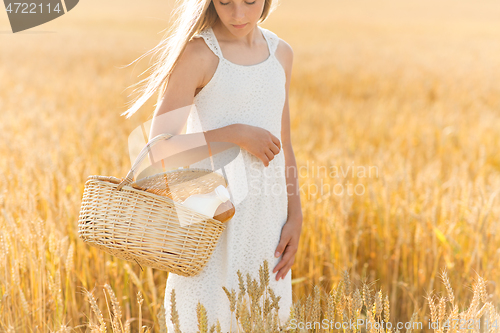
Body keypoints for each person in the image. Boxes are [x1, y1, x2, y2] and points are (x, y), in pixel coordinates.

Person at [120, 0, 303, 331]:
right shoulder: (199, 54)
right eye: (225, 2)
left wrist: (296, 215)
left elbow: (285, 143)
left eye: (250, 1)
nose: (238, 14)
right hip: (211, 221)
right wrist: (234, 135)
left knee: (265, 320)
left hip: (268, 224)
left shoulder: (281, 54)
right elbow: (158, 151)